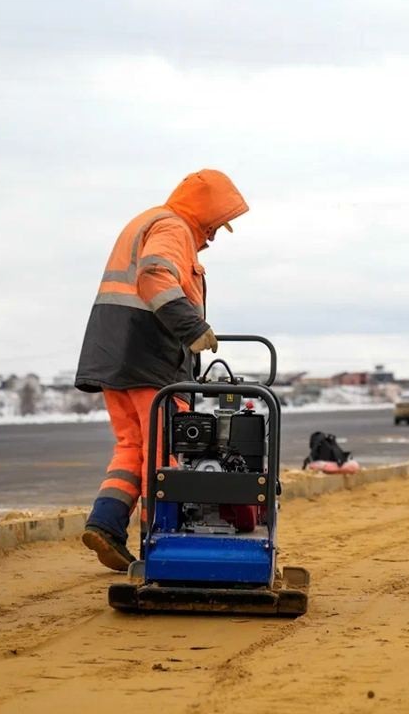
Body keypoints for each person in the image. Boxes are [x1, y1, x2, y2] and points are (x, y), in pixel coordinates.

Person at [74, 169, 248, 571]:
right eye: (218, 223)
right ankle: (161, 543)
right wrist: (193, 327)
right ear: (204, 210)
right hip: (149, 360)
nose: (217, 233)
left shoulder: (148, 220)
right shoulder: (173, 227)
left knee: (132, 447)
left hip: (114, 357)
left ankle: (106, 524)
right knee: (165, 452)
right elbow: (154, 275)